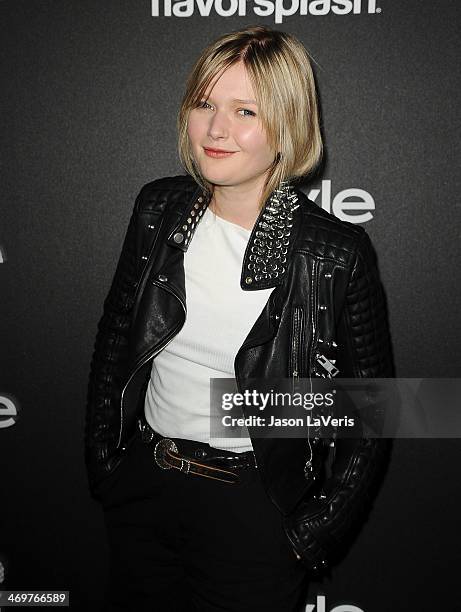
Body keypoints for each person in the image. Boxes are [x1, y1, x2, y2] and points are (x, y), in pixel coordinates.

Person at [84, 25, 395, 612]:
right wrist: (106, 463)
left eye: (244, 110)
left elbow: (373, 408)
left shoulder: (332, 252)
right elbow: (117, 336)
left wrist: (314, 528)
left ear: (287, 126)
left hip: (254, 505)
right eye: (205, 104)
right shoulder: (158, 208)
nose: (216, 128)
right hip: (143, 487)